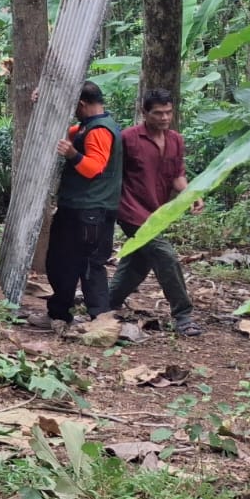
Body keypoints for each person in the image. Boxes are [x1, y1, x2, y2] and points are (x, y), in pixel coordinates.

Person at [28, 80, 123, 331]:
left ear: (81, 104)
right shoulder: (86, 127)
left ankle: (91, 319)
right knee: (69, 262)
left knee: (79, 264)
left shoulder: (99, 131)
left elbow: (94, 168)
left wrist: (72, 155)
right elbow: (58, 133)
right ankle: (77, 315)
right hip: (85, 208)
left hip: (89, 210)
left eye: (73, 106)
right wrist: (46, 104)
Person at [109, 89, 205, 336]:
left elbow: (177, 175)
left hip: (156, 212)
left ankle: (106, 303)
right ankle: (183, 316)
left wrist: (191, 195)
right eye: (158, 113)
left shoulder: (175, 140)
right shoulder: (127, 138)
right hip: (130, 210)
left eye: (168, 112)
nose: (164, 118)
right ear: (145, 113)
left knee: (138, 264)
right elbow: (110, 173)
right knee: (166, 256)